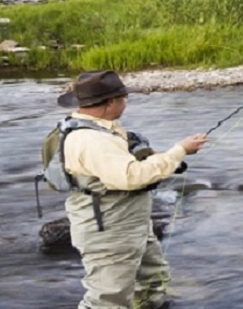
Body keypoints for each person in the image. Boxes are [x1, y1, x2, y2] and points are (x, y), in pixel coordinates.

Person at [56, 70, 207, 309]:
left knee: (152, 281)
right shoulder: (92, 140)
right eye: (123, 98)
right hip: (109, 231)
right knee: (107, 300)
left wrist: (165, 158)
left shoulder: (101, 128)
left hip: (129, 223)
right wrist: (179, 151)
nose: (126, 102)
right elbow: (131, 177)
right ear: (110, 102)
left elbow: (125, 161)